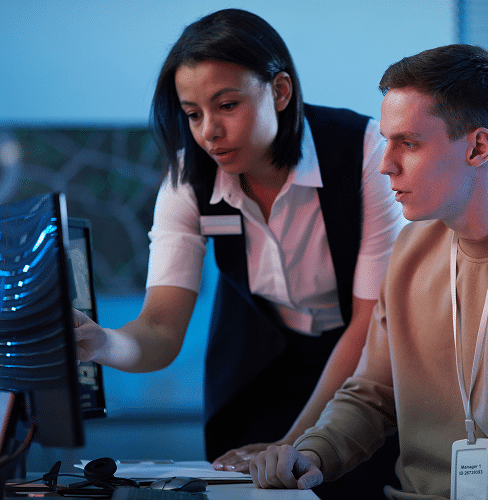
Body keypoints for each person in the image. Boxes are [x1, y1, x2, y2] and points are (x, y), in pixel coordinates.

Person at [249, 44, 488, 499]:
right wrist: (312, 454)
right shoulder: (412, 247)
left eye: (409, 143)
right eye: (387, 141)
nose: (385, 164)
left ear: (478, 147)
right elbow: (372, 394)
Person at [74, 8, 405, 499]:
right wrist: (100, 344)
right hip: (258, 362)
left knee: (354, 481)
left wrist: (294, 444)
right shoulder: (189, 179)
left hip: (362, 358)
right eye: (192, 114)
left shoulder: (364, 152)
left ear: (280, 92)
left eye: (226, 105)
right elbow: (160, 329)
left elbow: (367, 322)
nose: (208, 130)